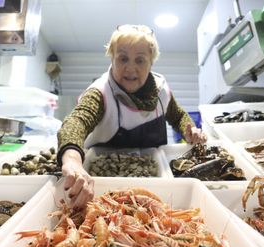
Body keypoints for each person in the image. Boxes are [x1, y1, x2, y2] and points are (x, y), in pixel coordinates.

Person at [57, 24, 207, 210]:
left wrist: (190, 129)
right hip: (103, 188)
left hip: (155, 186)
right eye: (123, 59)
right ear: (112, 59)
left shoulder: (161, 91)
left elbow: (178, 116)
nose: (130, 68)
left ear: (151, 62)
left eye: (140, 60)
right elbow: (76, 121)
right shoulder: (100, 92)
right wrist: (72, 160)